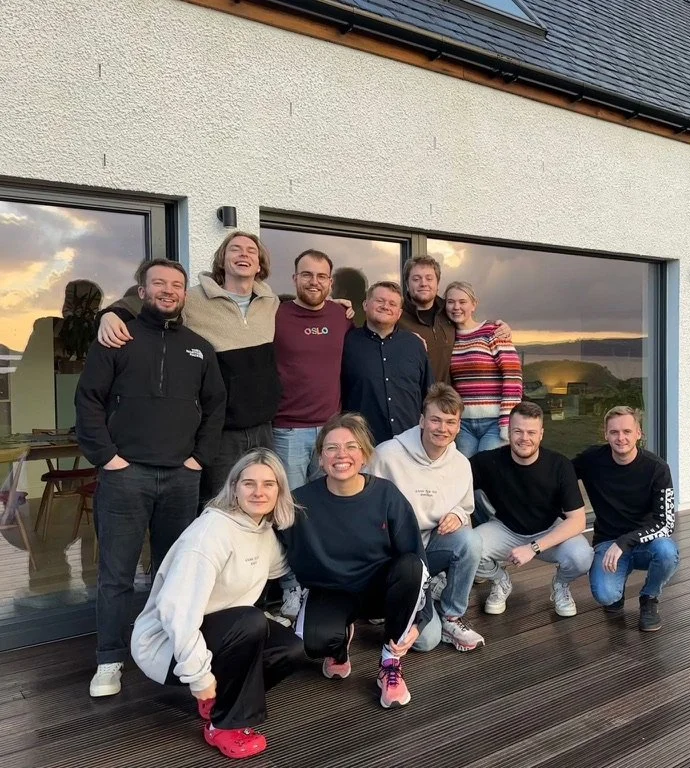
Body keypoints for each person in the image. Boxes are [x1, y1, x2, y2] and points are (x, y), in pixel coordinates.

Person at [75, 259, 226, 698]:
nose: (168, 290)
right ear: (141, 290)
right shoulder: (117, 338)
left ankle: (165, 650)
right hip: (126, 475)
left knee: (173, 573)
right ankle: (109, 659)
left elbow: (216, 408)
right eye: (158, 283)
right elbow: (89, 401)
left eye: (176, 285)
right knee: (116, 574)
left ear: (184, 294)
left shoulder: (200, 347)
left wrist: (199, 459)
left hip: (181, 476)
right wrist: (107, 458)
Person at [130, 449, 304, 760]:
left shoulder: (261, 530)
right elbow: (177, 610)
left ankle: (223, 701)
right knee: (252, 621)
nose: (259, 492)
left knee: (290, 648)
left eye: (269, 484)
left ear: (280, 491)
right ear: (234, 487)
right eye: (249, 483)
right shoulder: (212, 532)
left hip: (218, 636)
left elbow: (288, 568)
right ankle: (225, 725)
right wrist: (200, 677)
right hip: (166, 646)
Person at [97, 231, 281, 507]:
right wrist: (110, 314)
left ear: (259, 265)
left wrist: (341, 307)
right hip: (221, 430)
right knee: (219, 506)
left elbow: (304, 309)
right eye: (235, 249)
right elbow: (146, 303)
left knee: (261, 502)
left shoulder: (271, 302)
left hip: (264, 427)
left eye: (251, 251)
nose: (244, 254)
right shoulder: (194, 299)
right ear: (222, 260)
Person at [279, 412, 431, 708]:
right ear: (320, 458)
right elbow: (264, 535)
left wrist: (422, 618)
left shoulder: (387, 495)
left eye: (351, 446)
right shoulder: (298, 503)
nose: (341, 455)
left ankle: (389, 663)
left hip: (381, 592)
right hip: (332, 591)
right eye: (331, 448)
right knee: (311, 643)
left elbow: (418, 561)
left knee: (410, 567)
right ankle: (338, 643)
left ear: (364, 455)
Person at [366, 383, 484, 652]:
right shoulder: (387, 455)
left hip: (429, 547)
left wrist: (456, 514)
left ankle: (452, 616)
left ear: (458, 426)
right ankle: (393, 599)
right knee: (426, 641)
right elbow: (364, 501)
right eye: (436, 420)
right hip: (394, 557)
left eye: (450, 422)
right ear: (422, 420)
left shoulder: (460, 464)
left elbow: (465, 507)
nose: (443, 429)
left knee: (470, 541)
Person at [272, 248, 355, 619]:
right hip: (287, 430)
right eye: (307, 275)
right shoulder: (274, 313)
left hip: (330, 432)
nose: (314, 282)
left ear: (330, 282)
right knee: (288, 512)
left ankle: (321, 583)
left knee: (326, 509)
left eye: (322, 276)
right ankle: (291, 587)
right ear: (294, 279)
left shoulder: (340, 315)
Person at [470, 401, 593, 617]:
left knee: (582, 556)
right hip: (505, 529)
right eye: (518, 431)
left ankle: (561, 585)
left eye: (531, 432)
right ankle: (501, 580)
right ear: (508, 432)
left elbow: (578, 521)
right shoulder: (488, 462)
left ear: (541, 434)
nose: (524, 438)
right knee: (467, 549)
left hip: (548, 530)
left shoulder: (559, 465)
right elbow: (453, 480)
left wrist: (533, 548)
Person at [573, 406, 679, 632]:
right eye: (614, 432)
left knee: (667, 552)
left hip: (645, 543)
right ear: (605, 434)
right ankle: (616, 592)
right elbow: (560, 476)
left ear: (638, 433)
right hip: (608, 541)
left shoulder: (657, 468)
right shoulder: (591, 460)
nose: (621, 438)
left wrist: (625, 542)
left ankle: (649, 598)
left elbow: (666, 523)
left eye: (627, 431)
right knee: (606, 596)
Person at [342, 281, 433, 445]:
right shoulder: (347, 342)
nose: (386, 306)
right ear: (365, 304)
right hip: (363, 443)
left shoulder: (414, 344)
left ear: (399, 313)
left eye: (392, 304)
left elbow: (428, 393)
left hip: (409, 442)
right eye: (380, 301)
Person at [398, 255, 512, 383]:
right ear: (407, 284)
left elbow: (471, 327)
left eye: (429, 278)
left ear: (437, 284)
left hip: (446, 400)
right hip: (412, 399)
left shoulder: (448, 311)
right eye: (416, 279)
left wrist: (499, 327)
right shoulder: (396, 318)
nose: (423, 283)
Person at [444, 281, 523, 457]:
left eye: (462, 302)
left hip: (494, 423)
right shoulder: (448, 338)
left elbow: (513, 377)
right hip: (463, 424)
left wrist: (507, 422)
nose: (456, 307)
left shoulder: (492, 332)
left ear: (474, 304)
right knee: (467, 476)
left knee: (487, 477)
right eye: (450, 302)